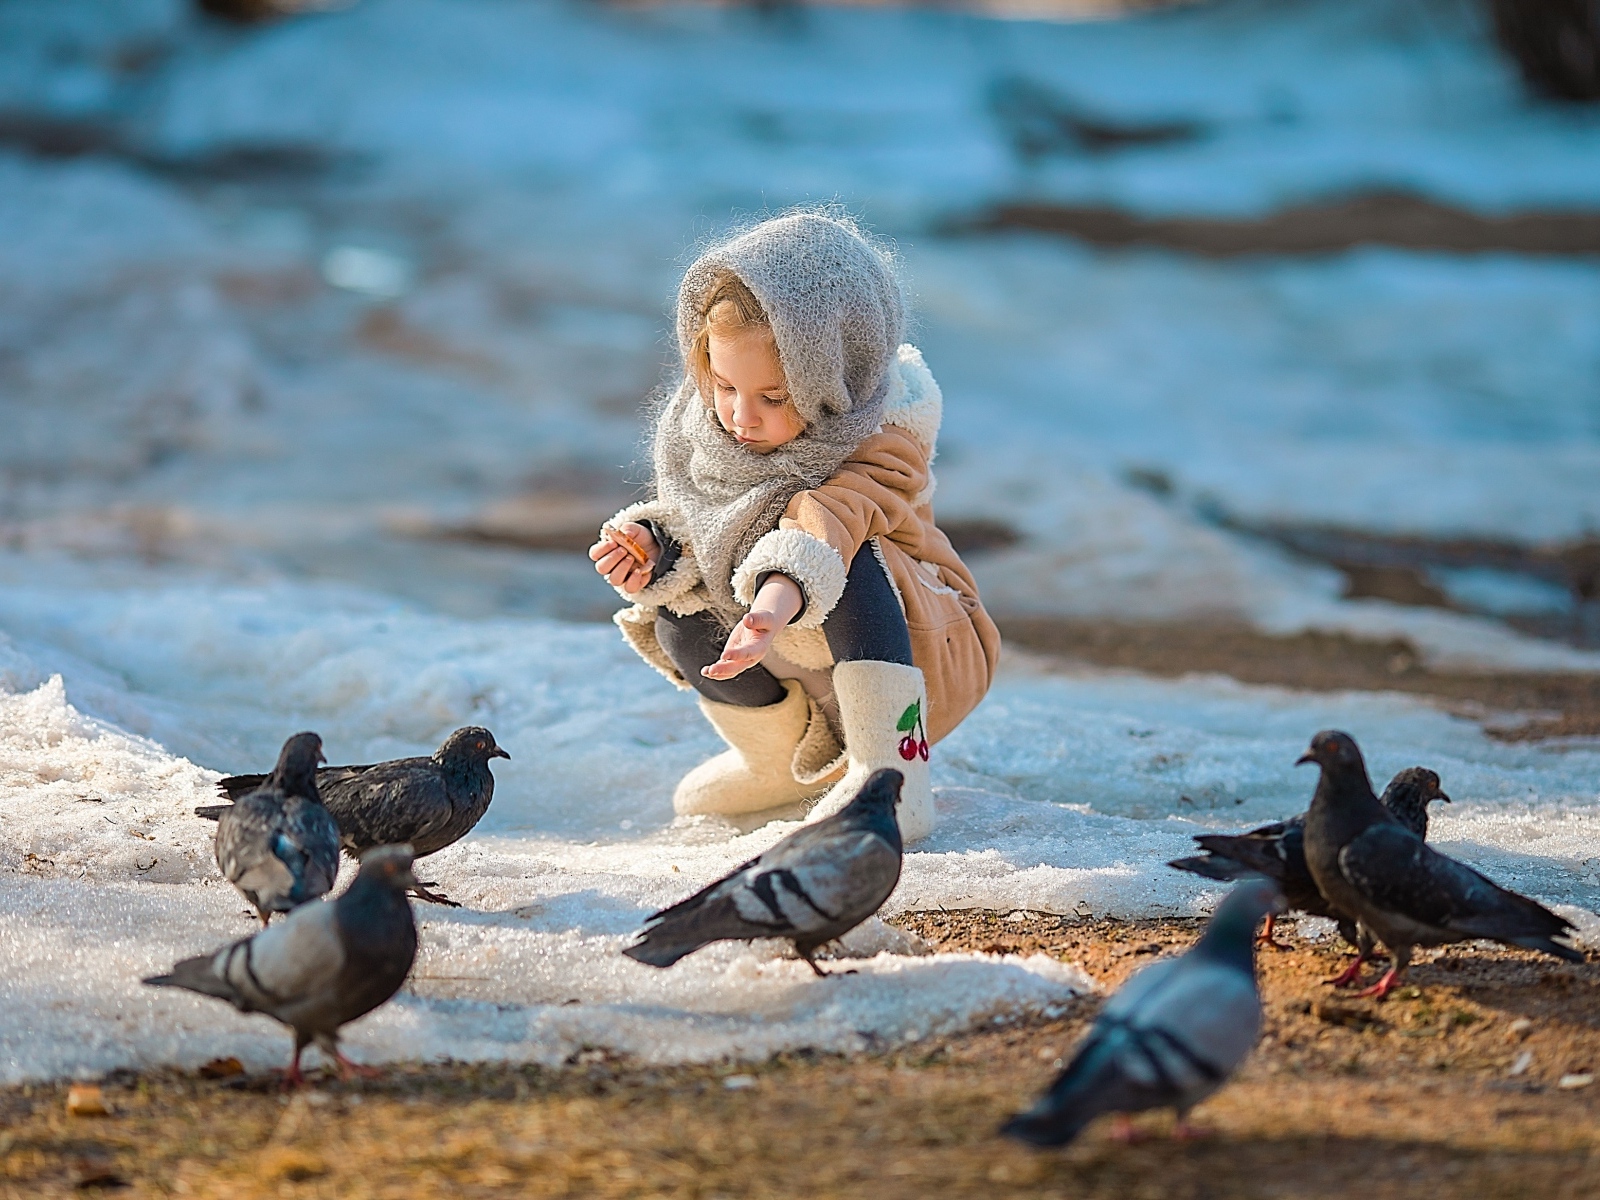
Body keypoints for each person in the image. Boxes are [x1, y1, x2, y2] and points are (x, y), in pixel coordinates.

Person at [589, 211, 999, 840]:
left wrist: (774, 600)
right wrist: (656, 547)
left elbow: (828, 523)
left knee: (851, 557)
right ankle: (777, 762)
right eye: (724, 385)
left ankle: (892, 780)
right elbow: (706, 524)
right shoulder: (706, 430)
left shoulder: (884, 437)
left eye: (773, 397)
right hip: (795, 651)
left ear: (838, 372)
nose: (740, 416)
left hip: (923, 649)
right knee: (678, 602)